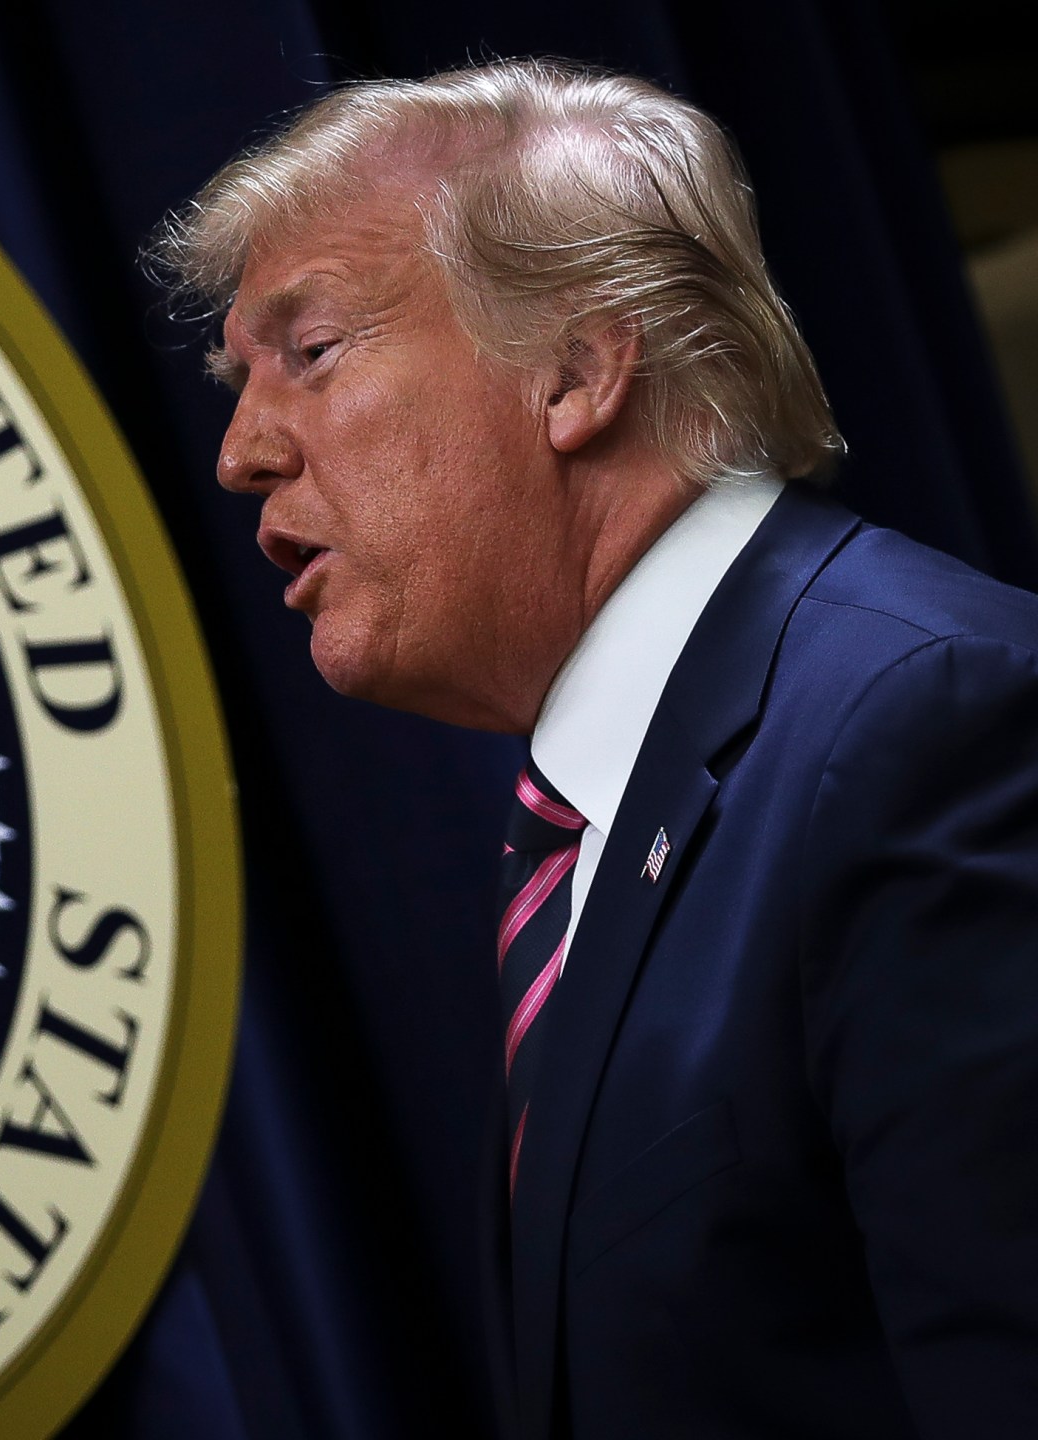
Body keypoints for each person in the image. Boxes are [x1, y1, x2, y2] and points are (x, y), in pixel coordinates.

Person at [161, 60, 1038, 1437]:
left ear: (578, 363)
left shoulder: (923, 721)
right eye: (237, 377)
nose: (239, 450)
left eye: (311, 351)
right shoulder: (596, 834)